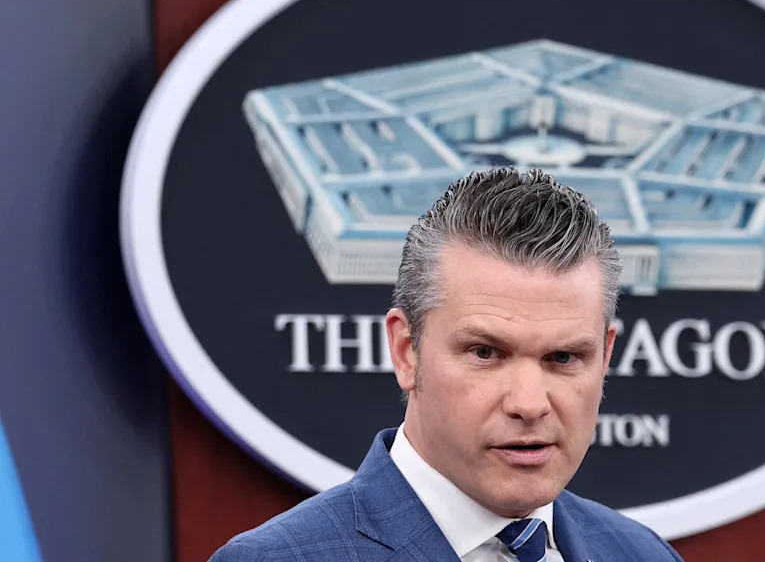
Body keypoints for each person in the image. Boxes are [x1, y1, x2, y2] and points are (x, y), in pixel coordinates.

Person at [210, 167, 683, 562]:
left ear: (605, 356)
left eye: (563, 357)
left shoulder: (643, 554)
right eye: (485, 353)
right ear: (406, 351)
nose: (529, 404)